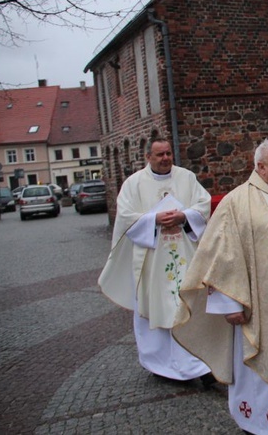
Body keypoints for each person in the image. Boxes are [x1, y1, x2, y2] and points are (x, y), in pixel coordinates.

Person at [173, 138, 268, 435]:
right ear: (261, 167)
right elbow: (219, 254)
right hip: (264, 311)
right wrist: (229, 303)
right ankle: (266, 426)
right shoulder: (238, 201)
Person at [98, 137, 213, 385]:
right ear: (148, 157)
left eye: (168, 153)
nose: (165, 159)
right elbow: (126, 217)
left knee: (188, 307)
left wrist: (184, 215)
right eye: (159, 155)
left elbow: (203, 205)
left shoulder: (186, 177)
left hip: (185, 256)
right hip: (151, 261)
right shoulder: (134, 184)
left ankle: (197, 364)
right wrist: (154, 219)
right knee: (156, 310)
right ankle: (160, 364)